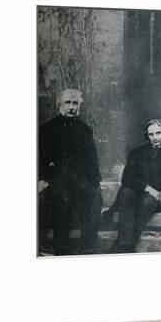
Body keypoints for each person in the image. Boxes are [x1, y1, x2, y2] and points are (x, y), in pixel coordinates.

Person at [38, 88, 102, 255]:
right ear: (59, 104)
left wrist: (95, 182)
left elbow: (92, 160)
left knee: (94, 197)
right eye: (68, 103)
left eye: (75, 103)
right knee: (62, 199)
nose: (71, 107)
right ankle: (61, 248)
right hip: (56, 178)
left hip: (79, 179)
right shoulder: (46, 128)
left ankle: (88, 246)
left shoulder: (84, 130)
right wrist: (41, 178)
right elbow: (39, 158)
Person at [110, 119, 161, 253]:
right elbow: (127, 178)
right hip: (138, 192)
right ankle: (127, 245)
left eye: (158, 133)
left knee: (147, 201)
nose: (155, 138)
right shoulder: (137, 152)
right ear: (147, 136)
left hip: (157, 197)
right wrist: (147, 188)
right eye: (151, 134)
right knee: (126, 193)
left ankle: (125, 244)